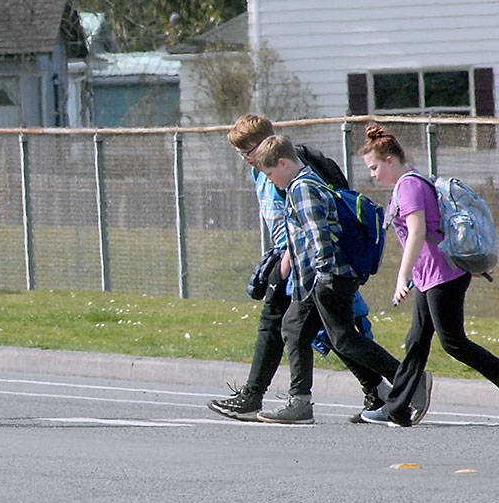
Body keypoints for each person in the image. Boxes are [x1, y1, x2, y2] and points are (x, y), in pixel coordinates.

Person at [208, 116, 387, 422]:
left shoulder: (287, 172)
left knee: (303, 327)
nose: (246, 159)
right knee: (325, 331)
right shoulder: (263, 171)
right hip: (294, 261)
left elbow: (308, 222)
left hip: (303, 263)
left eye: (247, 152)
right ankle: (379, 390)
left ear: (266, 147)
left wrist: (288, 262)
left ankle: (397, 383)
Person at [250, 135, 401, 424]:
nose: (270, 181)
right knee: (296, 328)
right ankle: (300, 402)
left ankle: (407, 379)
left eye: (270, 174)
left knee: (342, 338)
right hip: (317, 279)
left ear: (283, 163)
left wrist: (323, 274)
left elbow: (319, 235)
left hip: (327, 277)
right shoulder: (302, 184)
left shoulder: (301, 188)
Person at [357, 125, 499, 426]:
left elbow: (418, 232)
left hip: (442, 275)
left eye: (374, 167)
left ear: (390, 160)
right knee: (416, 341)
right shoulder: (410, 183)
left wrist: (401, 278)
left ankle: (396, 407)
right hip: (430, 276)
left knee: (453, 342)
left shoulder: (408, 186)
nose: (372, 173)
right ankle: (396, 409)